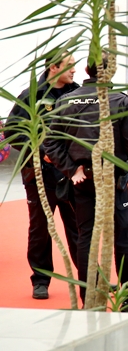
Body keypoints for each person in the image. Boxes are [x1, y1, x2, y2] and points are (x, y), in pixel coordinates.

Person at [44, 53, 128, 311]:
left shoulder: (66, 100)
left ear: (87, 68)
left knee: (86, 237)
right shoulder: (119, 100)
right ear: (113, 70)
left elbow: (49, 142)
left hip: (82, 180)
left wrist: (71, 169)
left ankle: (91, 301)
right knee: (123, 236)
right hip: (112, 177)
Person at [6, 49, 79, 300]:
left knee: (78, 227)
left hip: (71, 173)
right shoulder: (31, 96)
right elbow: (14, 133)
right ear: (53, 68)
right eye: (69, 65)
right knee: (40, 228)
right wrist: (39, 152)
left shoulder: (77, 94)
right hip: (38, 173)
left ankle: (86, 278)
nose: (74, 70)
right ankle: (40, 280)